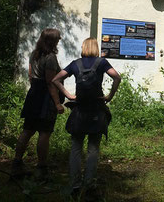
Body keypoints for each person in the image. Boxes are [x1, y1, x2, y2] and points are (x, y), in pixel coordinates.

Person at [52, 37, 121, 199]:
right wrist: (109, 96)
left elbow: (55, 79)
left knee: (76, 147)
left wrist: (69, 95)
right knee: (93, 148)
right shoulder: (102, 63)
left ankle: (75, 184)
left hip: (80, 110)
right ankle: (88, 184)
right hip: (96, 110)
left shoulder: (76, 64)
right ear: (96, 48)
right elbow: (117, 77)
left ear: (83, 47)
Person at [11, 28, 65, 180]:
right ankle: (41, 167)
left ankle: (17, 163)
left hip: (33, 94)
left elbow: (30, 76)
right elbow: (50, 82)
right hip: (45, 99)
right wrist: (57, 103)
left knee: (27, 129)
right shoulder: (51, 58)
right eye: (58, 39)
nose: (59, 41)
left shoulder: (34, 55)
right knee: (44, 132)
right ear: (52, 41)